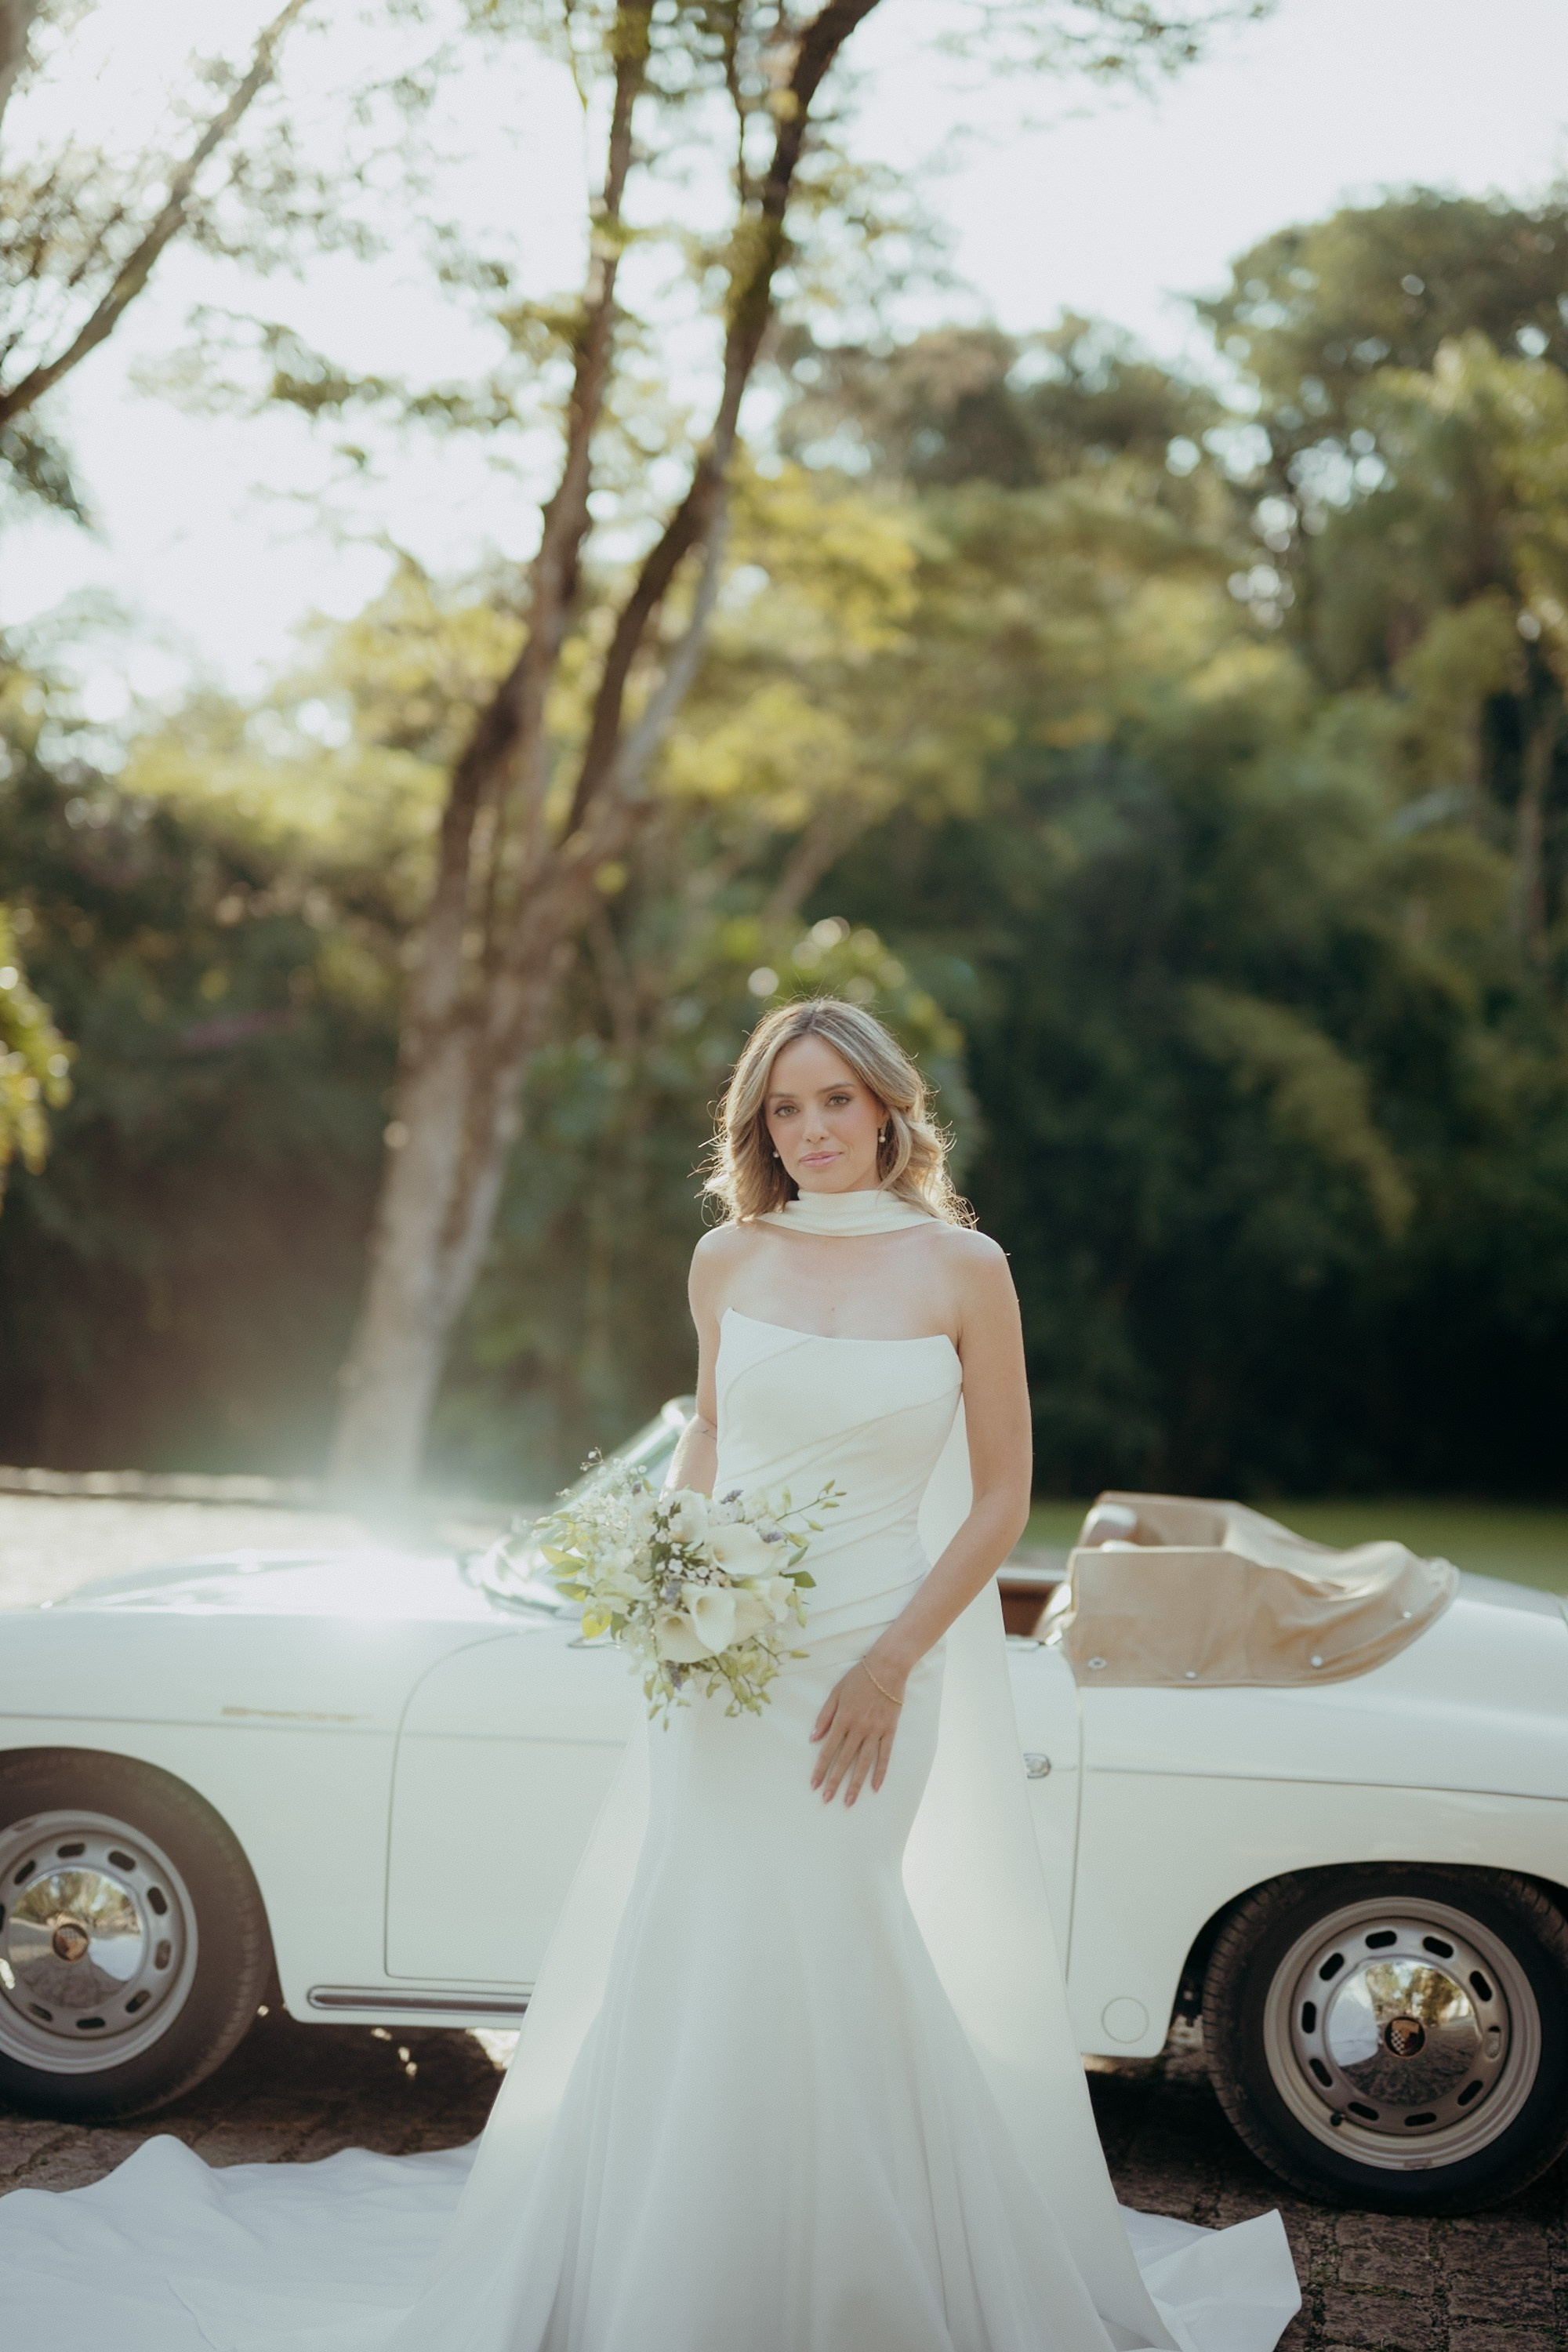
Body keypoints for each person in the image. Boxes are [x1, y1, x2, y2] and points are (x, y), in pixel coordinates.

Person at [0, 997, 1301, 2352]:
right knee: (700, 1928)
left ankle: (861, 2266)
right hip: (723, 1664)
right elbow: (715, 1438)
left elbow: (1000, 1500)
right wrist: (668, 1571)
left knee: (838, 1924)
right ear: (759, 1128)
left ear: (887, 1109)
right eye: (784, 1109)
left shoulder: (964, 1268)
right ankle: (669, 2258)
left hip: (877, 1660)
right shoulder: (728, 1258)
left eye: (836, 1101)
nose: (811, 1131)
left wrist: (890, 1664)